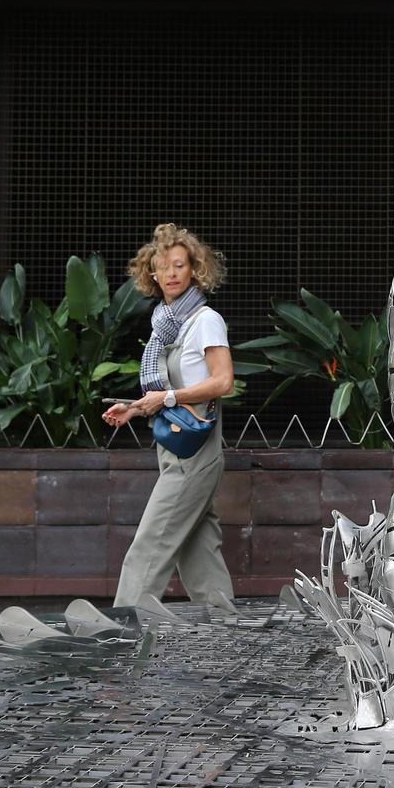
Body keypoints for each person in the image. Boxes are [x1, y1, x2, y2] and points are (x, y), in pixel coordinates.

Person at [102, 222, 236, 610]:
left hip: (195, 451)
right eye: (165, 267)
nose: (172, 274)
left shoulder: (204, 320)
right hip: (174, 446)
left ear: (194, 269)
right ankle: (225, 632)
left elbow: (223, 381)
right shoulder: (166, 326)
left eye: (180, 265)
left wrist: (169, 397)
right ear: (152, 274)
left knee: (151, 541)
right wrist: (135, 407)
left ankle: (123, 630)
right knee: (198, 549)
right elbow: (164, 394)